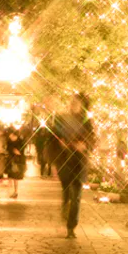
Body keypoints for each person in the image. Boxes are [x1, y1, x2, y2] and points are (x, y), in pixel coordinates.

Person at [56, 92, 94, 239]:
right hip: (65, 161)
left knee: (76, 197)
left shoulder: (86, 122)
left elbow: (92, 140)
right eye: (72, 102)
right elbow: (53, 136)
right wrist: (61, 142)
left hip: (79, 163)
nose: (74, 105)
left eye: (77, 103)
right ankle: (65, 206)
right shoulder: (62, 119)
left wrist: (84, 146)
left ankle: (71, 227)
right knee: (67, 194)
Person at [4, 127, 26, 199]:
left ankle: (15, 192)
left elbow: (21, 152)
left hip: (17, 162)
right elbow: (7, 149)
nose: (10, 136)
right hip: (10, 161)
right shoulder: (9, 141)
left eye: (11, 135)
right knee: (10, 176)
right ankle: (11, 191)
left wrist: (17, 152)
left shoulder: (20, 142)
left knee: (15, 177)